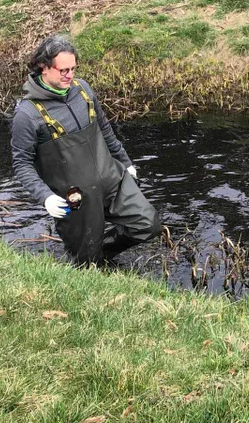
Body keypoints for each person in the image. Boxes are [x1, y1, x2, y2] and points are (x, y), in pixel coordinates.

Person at [11, 35, 161, 265]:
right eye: (63, 70)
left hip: (111, 178)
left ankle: (104, 254)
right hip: (76, 199)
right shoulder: (27, 114)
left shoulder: (83, 90)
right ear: (43, 67)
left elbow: (105, 129)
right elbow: (22, 164)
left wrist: (126, 162)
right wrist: (46, 197)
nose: (69, 75)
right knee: (86, 263)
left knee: (147, 224)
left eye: (72, 69)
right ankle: (92, 262)